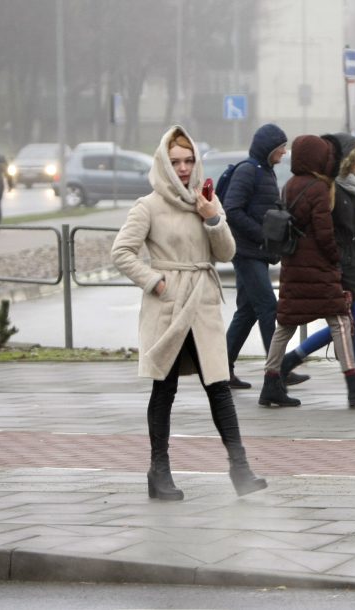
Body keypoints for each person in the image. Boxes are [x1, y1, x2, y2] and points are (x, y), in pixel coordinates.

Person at [111, 125, 267, 501]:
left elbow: (227, 253)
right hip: (169, 306)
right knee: (164, 387)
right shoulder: (148, 205)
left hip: (204, 302)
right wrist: (156, 282)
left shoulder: (205, 200)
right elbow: (122, 252)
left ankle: (240, 468)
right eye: (175, 161)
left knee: (218, 386)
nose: (183, 168)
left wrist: (213, 217)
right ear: (164, 164)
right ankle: (158, 471)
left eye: (189, 160)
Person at [258, 134, 355, 408]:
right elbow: (325, 233)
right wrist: (335, 261)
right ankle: (354, 381)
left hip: (293, 267)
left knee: (285, 324)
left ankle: (271, 381)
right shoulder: (319, 188)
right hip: (317, 268)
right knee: (342, 322)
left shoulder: (289, 185)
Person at [223, 123, 308, 390]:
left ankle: (221, 370)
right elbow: (232, 210)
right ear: (268, 148)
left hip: (257, 253)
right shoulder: (248, 171)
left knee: (247, 312)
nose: (285, 151)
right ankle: (278, 369)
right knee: (269, 307)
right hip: (247, 253)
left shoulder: (266, 172)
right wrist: (262, 235)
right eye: (281, 147)